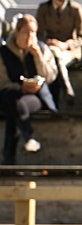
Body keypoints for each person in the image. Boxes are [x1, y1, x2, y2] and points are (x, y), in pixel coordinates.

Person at [2, 14, 61, 162]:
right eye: (25, 32)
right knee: (12, 101)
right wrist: (21, 87)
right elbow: (2, 81)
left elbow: (50, 77)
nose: (29, 37)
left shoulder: (42, 49)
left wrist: (38, 58)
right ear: (17, 32)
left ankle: (9, 157)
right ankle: (28, 139)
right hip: (11, 95)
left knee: (15, 108)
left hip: (36, 97)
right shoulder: (4, 52)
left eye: (33, 32)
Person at [35, 0, 82, 104]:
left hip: (70, 51)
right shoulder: (44, 8)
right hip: (50, 49)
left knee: (57, 58)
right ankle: (64, 91)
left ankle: (66, 91)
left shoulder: (76, 9)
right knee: (53, 55)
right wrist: (48, 42)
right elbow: (37, 34)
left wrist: (66, 44)